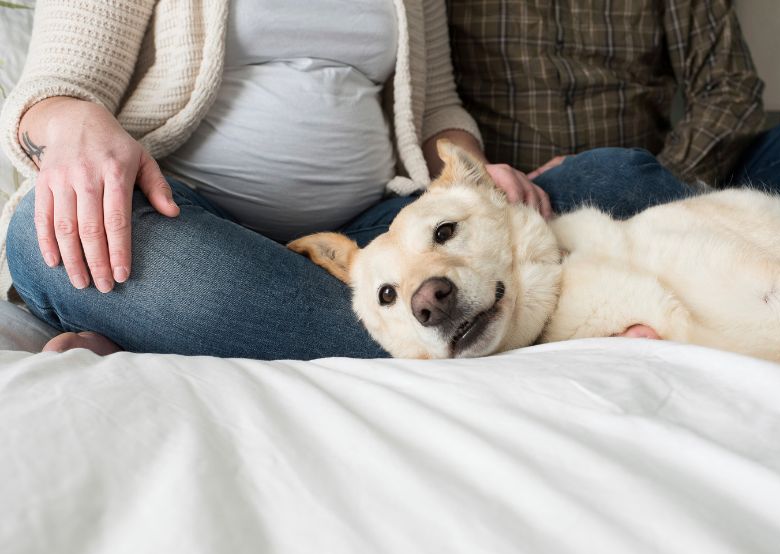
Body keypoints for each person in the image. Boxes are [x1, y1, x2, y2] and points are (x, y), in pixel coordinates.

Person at [0, 0, 693, 359]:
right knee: (52, 232)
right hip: (183, 223)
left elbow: (437, 106)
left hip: (373, 249)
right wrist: (72, 125)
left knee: (616, 178)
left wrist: (473, 180)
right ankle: (500, 323)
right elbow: (51, 93)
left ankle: (189, 331)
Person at [447, 0, 780, 201]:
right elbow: (428, 104)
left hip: (668, 178)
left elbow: (731, 88)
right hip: (524, 199)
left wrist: (653, 182)